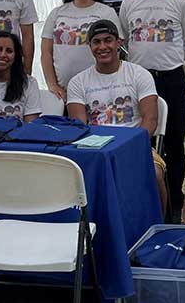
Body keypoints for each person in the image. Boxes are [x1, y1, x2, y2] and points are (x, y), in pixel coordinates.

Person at [118, 0, 185, 219]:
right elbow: (125, 38)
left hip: (172, 79)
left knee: (175, 143)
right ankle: (141, 198)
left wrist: (168, 62)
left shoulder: (180, 1)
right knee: (140, 141)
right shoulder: (129, 2)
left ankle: (174, 204)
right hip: (139, 81)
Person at [66, 19, 167, 214]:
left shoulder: (139, 74)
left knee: (154, 174)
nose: (102, 47)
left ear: (119, 43)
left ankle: (159, 226)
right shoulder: (78, 82)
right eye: (96, 42)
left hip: (135, 146)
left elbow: (150, 121)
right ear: (90, 46)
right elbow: (79, 126)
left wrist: (126, 149)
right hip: (95, 151)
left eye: (108, 40)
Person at [40, 0, 119, 103]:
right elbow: (46, 53)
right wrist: (52, 85)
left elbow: (115, 52)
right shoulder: (56, 13)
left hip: (98, 90)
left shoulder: (106, 12)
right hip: (63, 92)